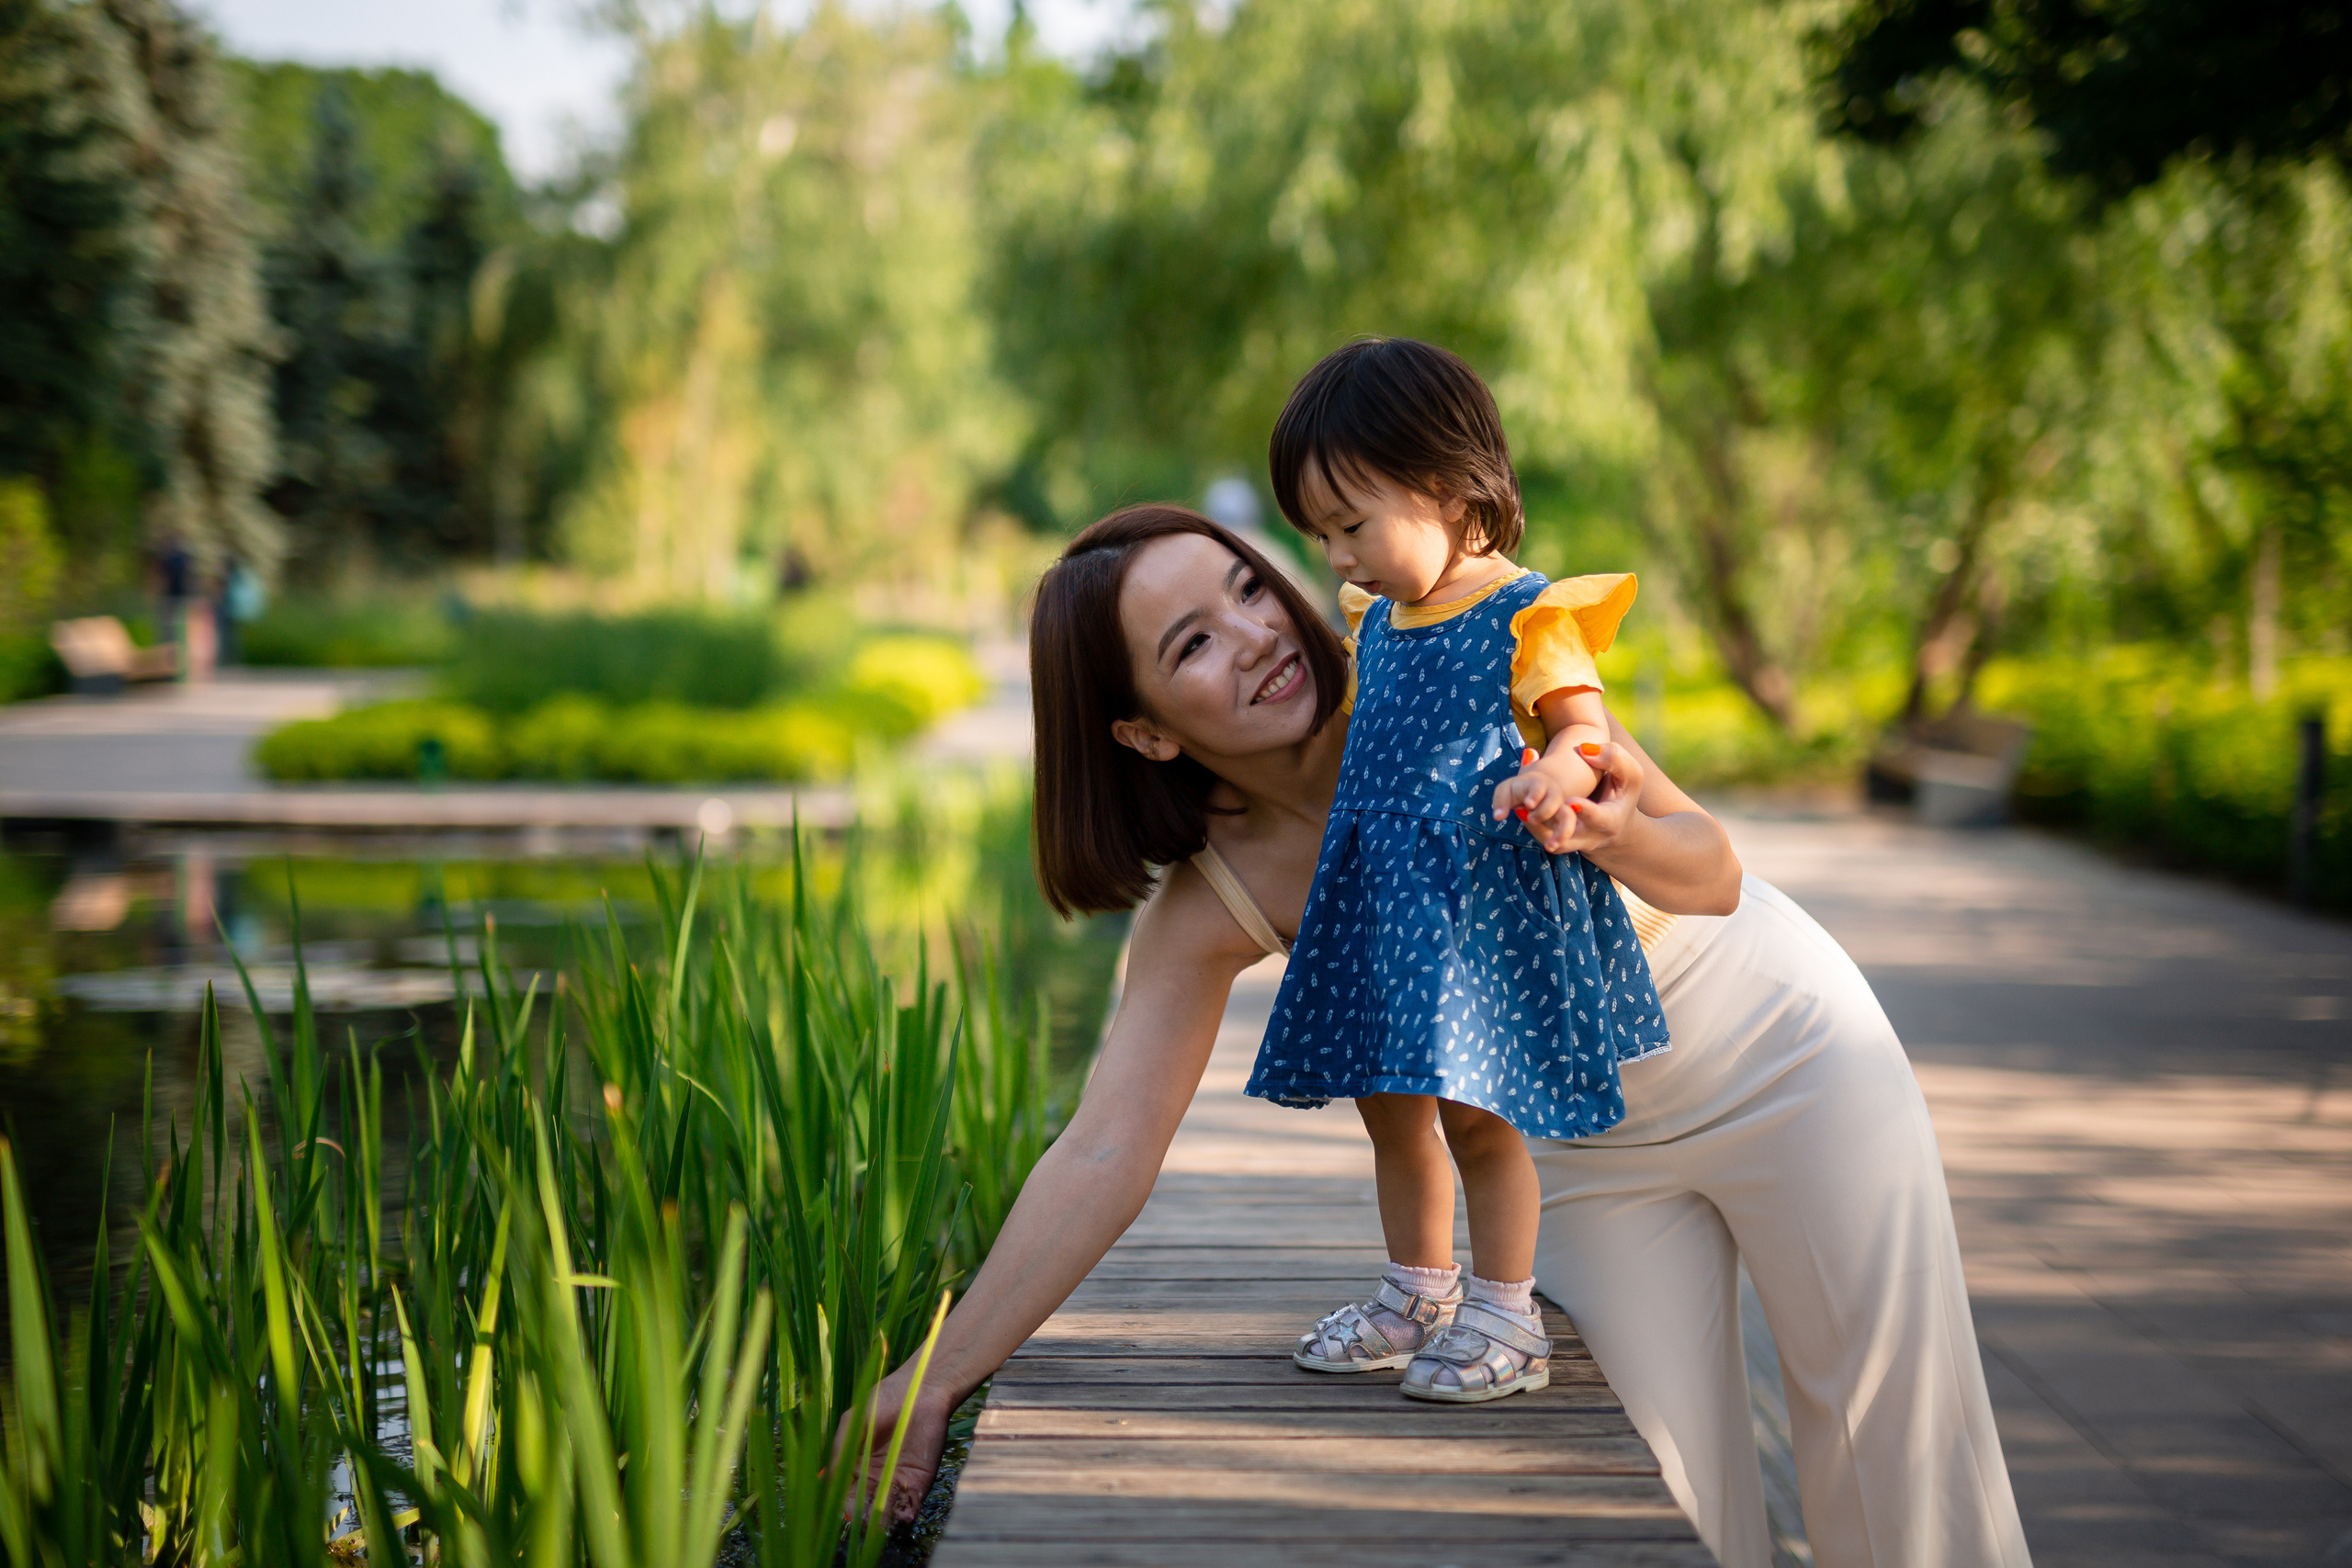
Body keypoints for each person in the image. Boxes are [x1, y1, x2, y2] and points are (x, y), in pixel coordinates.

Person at [854, 502, 2030, 1567]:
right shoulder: (1212, 897)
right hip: (1582, 1148)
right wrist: (932, 1378)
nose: (1256, 636)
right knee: (1665, 1498)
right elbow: (1105, 1149)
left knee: (1897, 1475)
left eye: (1250, 588)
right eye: (1192, 644)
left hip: (1778, 1051)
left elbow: (1713, 871)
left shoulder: (1448, 657)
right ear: (1145, 733)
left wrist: (1604, 826)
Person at [1241, 339, 1668, 1404]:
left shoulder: (1528, 615)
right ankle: (1416, 1291)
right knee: (1388, 1105)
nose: (1337, 556)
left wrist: (1555, 775)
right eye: (1320, 535)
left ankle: (1507, 1315)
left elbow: (1585, 733)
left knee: (1478, 1114)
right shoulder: (1374, 622)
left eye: (1352, 525)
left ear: (1446, 485)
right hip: (1385, 904)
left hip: (1477, 907)